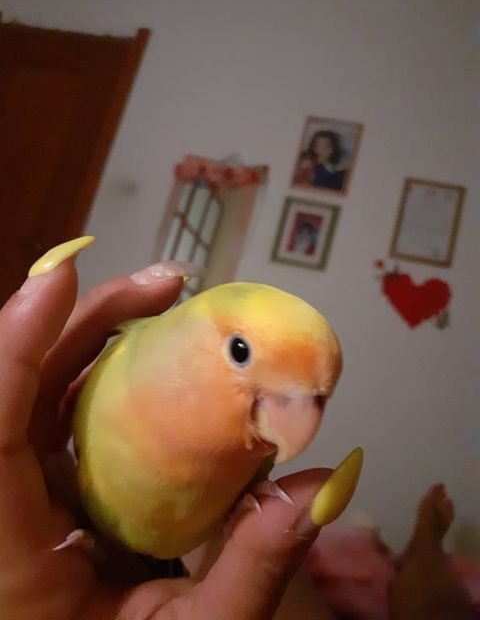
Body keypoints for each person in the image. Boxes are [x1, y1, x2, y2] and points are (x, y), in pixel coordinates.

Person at [0, 237, 355, 620]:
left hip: (175, 560)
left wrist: (240, 516)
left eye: (317, 398)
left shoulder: (254, 452)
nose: (289, 417)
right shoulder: (115, 367)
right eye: (239, 353)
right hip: (92, 532)